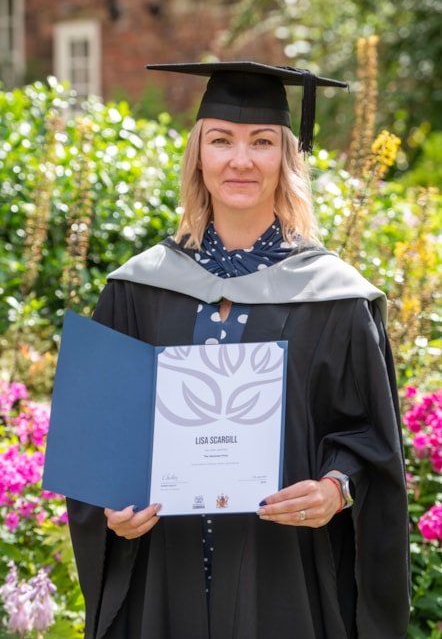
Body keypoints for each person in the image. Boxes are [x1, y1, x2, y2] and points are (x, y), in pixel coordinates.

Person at [66, 61, 410, 639]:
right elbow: (97, 441)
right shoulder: (138, 288)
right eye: (221, 140)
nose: (241, 160)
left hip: (285, 577)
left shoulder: (335, 296)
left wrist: (335, 488)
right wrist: (111, 511)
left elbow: (369, 437)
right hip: (163, 576)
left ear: (287, 158)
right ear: (198, 155)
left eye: (262, 142)